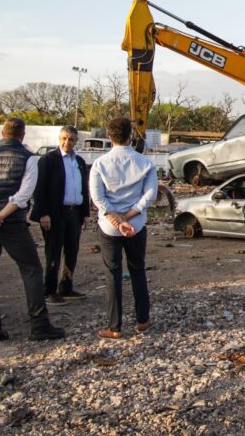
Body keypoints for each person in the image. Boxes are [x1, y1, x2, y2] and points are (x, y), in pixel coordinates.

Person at [0, 118, 65, 344]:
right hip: (11, 223)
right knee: (32, 269)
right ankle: (39, 324)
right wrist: (0, 216)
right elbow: (23, 195)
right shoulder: (27, 159)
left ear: (2, 133)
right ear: (22, 135)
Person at [89, 116, 157, 339]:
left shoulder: (99, 164)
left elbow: (97, 197)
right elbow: (151, 195)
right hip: (136, 225)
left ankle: (114, 327)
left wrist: (116, 219)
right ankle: (143, 320)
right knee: (138, 270)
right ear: (130, 136)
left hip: (109, 227)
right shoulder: (145, 163)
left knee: (112, 273)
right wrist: (128, 216)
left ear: (109, 137)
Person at [32, 126, 91, 305]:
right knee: (53, 251)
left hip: (74, 212)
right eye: (64, 138)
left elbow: (83, 188)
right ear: (59, 139)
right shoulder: (48, 160)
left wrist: (85, 213)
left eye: (71, 139)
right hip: (55, 214)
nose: (67, 142)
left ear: (76, 141)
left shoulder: (79, 161)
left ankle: (66, 286)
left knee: (72, 250)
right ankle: (49, 290)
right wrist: (43, 213)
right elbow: (39, 188)